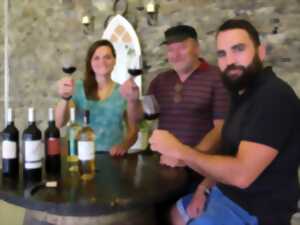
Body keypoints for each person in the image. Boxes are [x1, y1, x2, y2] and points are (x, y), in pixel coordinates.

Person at [149, 19, 300, 225]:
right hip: (223, 191)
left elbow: (241, 175)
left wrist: (181, 151)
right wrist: (204, 187)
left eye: (238, 49)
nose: (230, 60)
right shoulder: (242, 94)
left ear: (260, 52)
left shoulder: (273, 97)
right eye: (222, 54)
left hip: (254, 209)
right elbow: (229, 153)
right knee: (172, 213)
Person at [121, 25, 229, 171]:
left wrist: (188, 159)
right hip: (163, 164)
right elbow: (139, 118)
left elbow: (220, 129)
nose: (176, 55)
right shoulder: (160, 81)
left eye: (182, 47)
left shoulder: (217, 78)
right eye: (171, 49)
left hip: (201, 170)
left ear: (197, 48)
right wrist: (133, 100)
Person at [55, 39, 138, 156]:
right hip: (81, 157)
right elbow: (59, 123)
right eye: (96, 58)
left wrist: (124, 146)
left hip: (113, 158)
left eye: (107, 57)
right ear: (90, 62)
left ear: (114, 61)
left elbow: (133, 130)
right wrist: (64, 98)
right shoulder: (77, 88)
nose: (102, 62)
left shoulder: (123, 91)